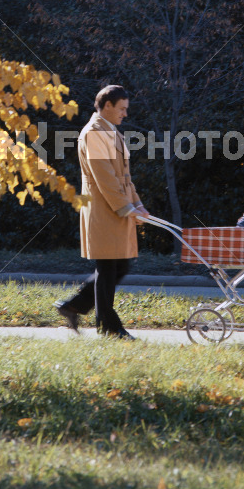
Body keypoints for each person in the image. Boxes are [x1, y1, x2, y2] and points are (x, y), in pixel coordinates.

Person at [55, 85, 149, 340]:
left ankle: (74, 306)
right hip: (105, 209)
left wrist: (137, 203)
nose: (125, 114)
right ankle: (109, 327)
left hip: (114, 208)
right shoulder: (95, 134)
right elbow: (105, 177)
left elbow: (124, 177)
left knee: (117, 266)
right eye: (122, 109)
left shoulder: (110, 132)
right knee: (110, 267)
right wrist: (126, 207)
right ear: (107, 105)